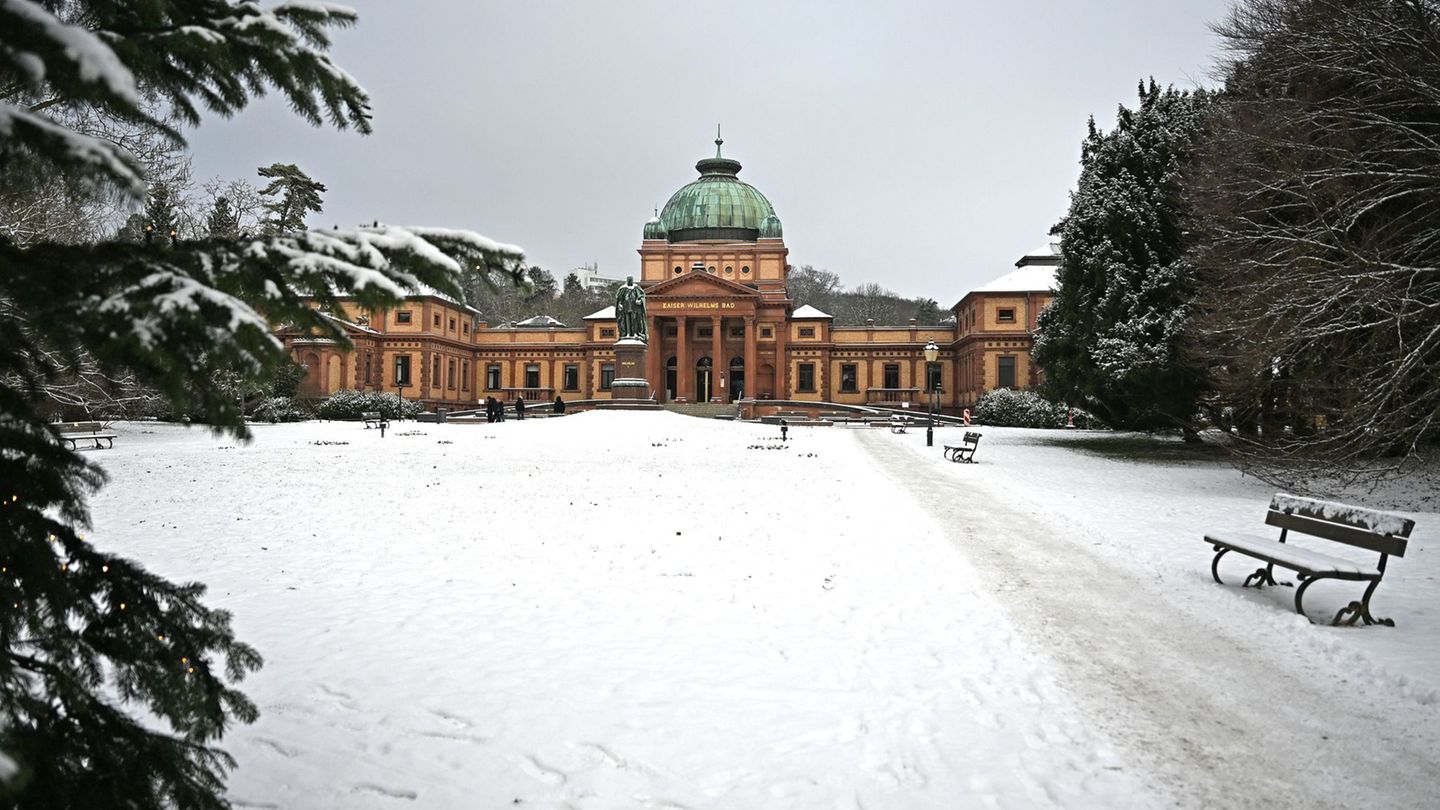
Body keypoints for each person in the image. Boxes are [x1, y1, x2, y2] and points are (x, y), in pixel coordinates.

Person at [614, 275, 647, 341]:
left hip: (634, 308)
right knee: (626, 320)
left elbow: (642, 296)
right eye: (629, 280)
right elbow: (619, 298)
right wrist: (619, 304)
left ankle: (635, 333)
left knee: (634, 320)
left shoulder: (636, 288)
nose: (630, 281)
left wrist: (640, 301)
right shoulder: (623, 289)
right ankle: (627, 333)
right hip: (626, 307)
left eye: (631, 280)